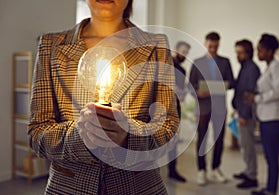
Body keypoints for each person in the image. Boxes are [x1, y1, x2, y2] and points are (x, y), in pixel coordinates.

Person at [28, 0, 179, 194]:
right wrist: (80, 135)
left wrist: (127, 136)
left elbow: (168, 129)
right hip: (69, 188)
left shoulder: (155, 45)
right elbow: (37, 134)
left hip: (138, 186)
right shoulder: (52, 45)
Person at [244, 34, 279, 195]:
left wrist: (257, 98)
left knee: (271, 156)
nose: (258, 53)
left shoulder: (278, 67)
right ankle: (270, 188)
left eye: (260, 50)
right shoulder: (269, 68)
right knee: (269, 156)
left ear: (270, 51)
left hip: (275, 118)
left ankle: (271, 190)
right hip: (268, 117)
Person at [189, 32, 235, 185]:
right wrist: (197, 92)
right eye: (210, 46)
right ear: (205, 43)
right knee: (201, 138)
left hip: (220, 107)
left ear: (219, 45)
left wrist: (218, 87)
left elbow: (231, 83)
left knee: (219, 139)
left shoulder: (225, 62)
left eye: (215, 46)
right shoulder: (196, 62)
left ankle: (216, 169)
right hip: (203, 107)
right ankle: (201, 171)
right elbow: (190, 85)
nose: (213, 49)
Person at [232, 39, 260, 189]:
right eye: (236, 52)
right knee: (244, 144)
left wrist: (244, 114)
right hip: (241, 112)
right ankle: (247, 170)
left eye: (240, 52)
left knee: (248, 146)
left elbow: (249, 93)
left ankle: (252, 176)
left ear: (248, 53)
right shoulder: (245, 67)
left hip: (246, 115)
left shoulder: (252, 69)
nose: (238, 55)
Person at [168, 41, 191, 182]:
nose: (184, 55)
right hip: (161, 108)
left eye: (186, 53)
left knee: (174, 141)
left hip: (176, 108)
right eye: (183, 51)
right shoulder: (166, 64)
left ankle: (172, 170)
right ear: (176, 49)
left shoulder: (183, 71)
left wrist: (182, 94)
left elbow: (181, 91)